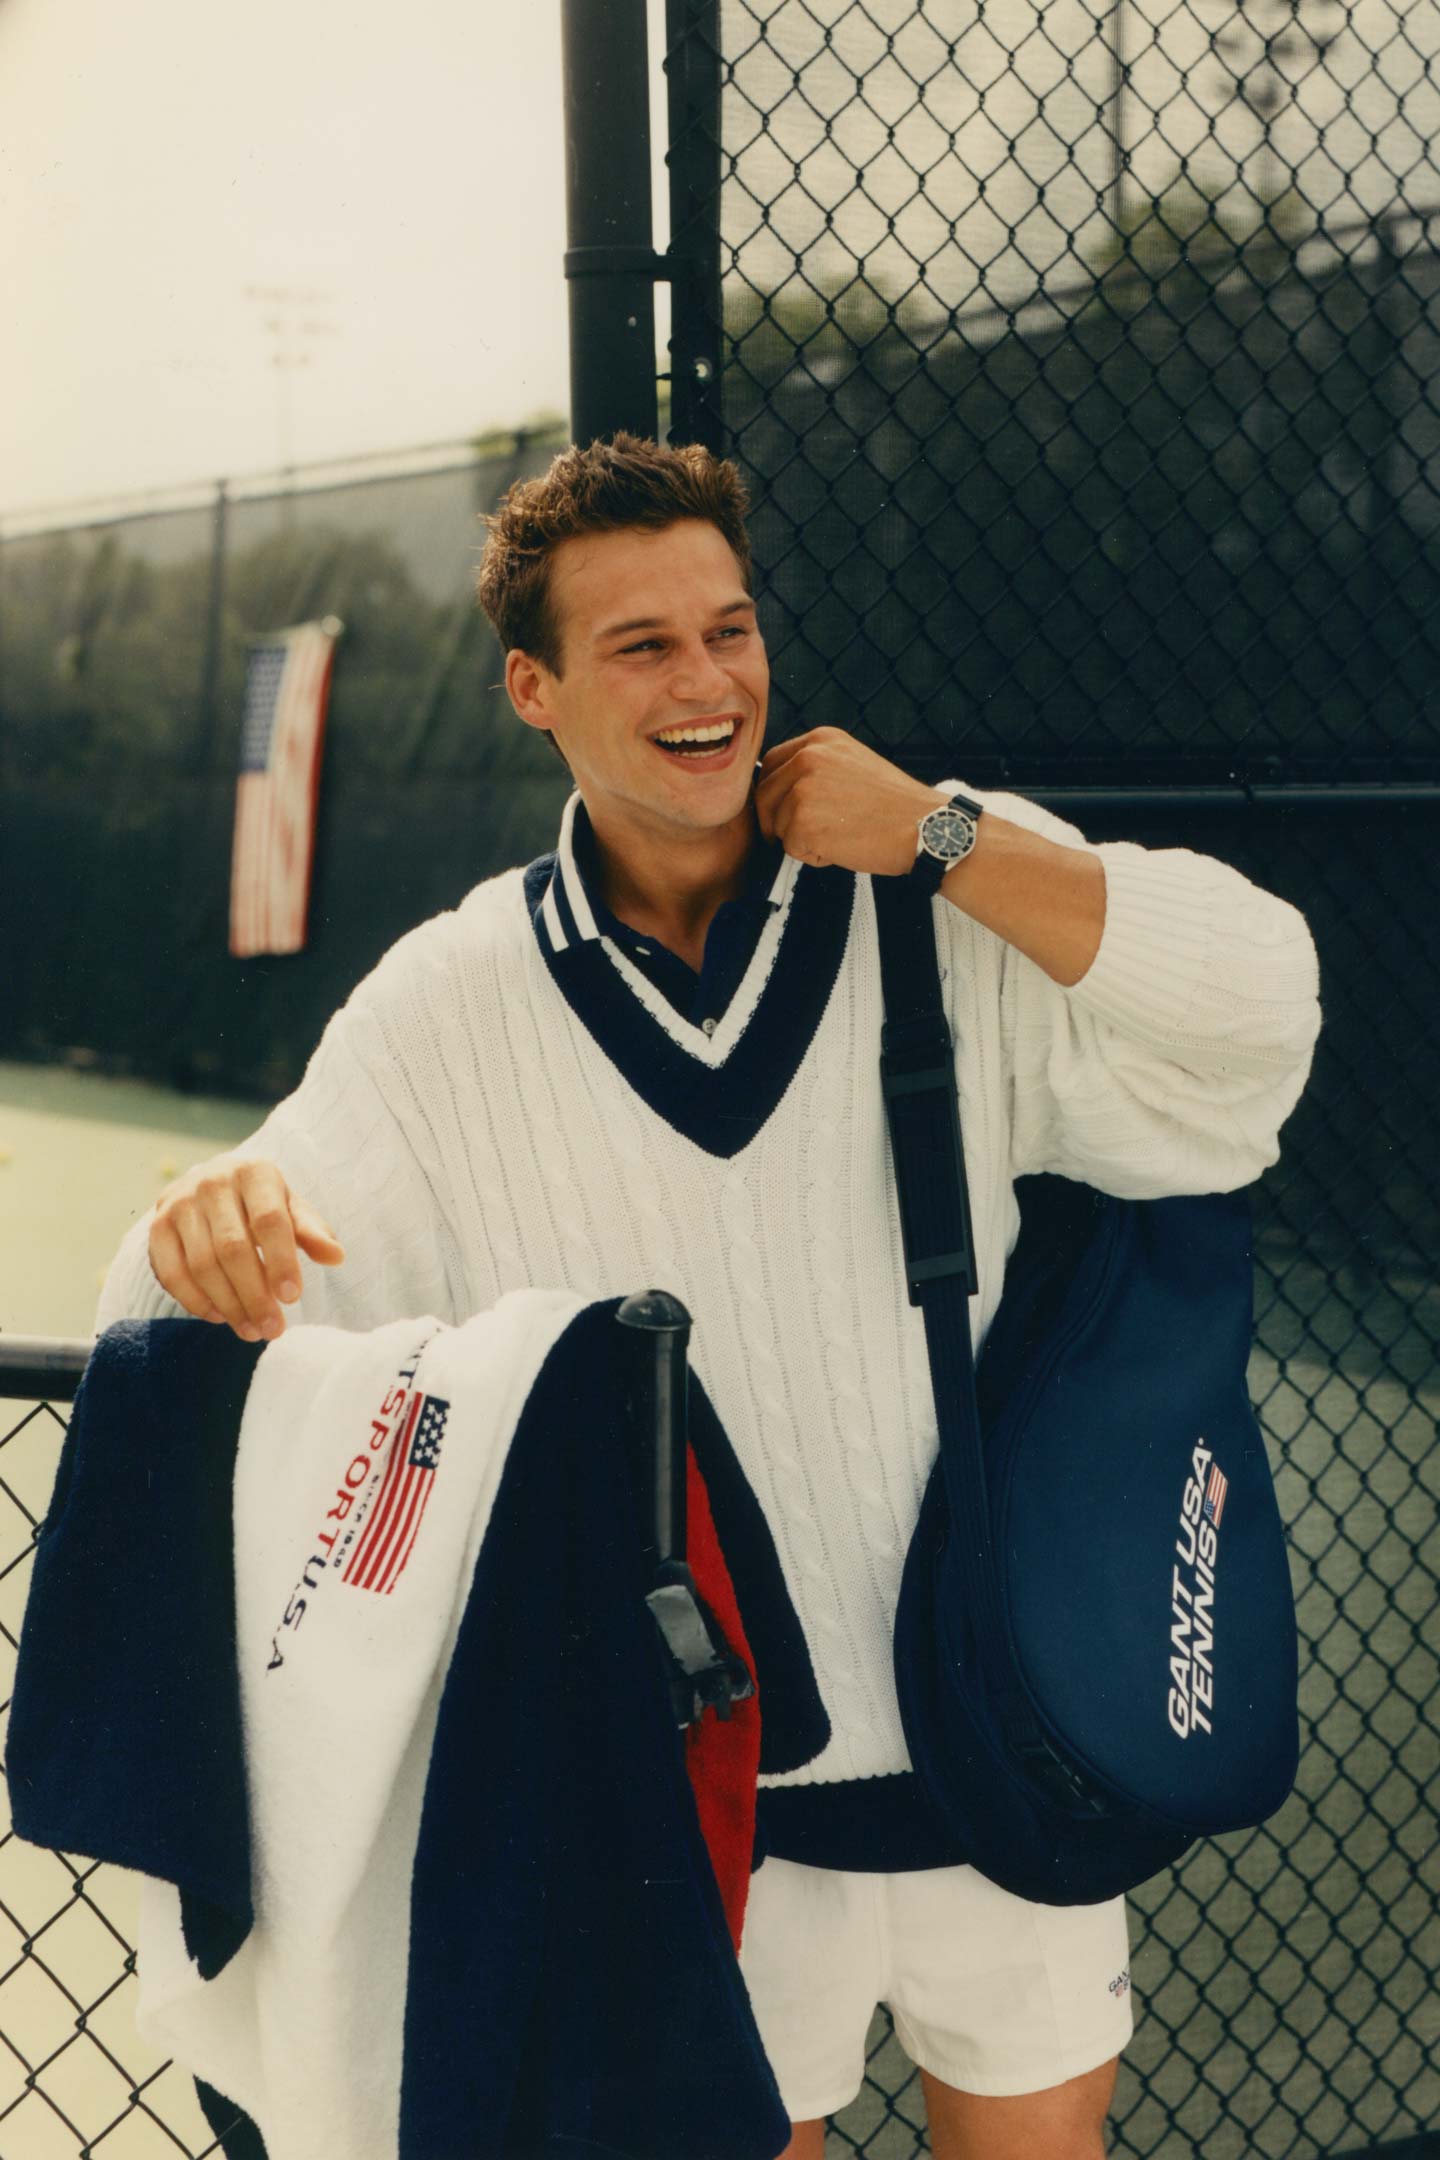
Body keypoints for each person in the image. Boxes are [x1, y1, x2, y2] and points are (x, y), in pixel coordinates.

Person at [98, 433, 1322, 2160]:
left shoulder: (939, 882)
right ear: (534, 689)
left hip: (1011, 1736)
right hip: (696, 1800)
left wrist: (943, 831)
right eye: (642, 645)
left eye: (730, 629)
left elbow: (1266, 1007)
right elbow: (258, 1250)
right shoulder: (446, 1002)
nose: (708, 683)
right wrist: (201, 1210)